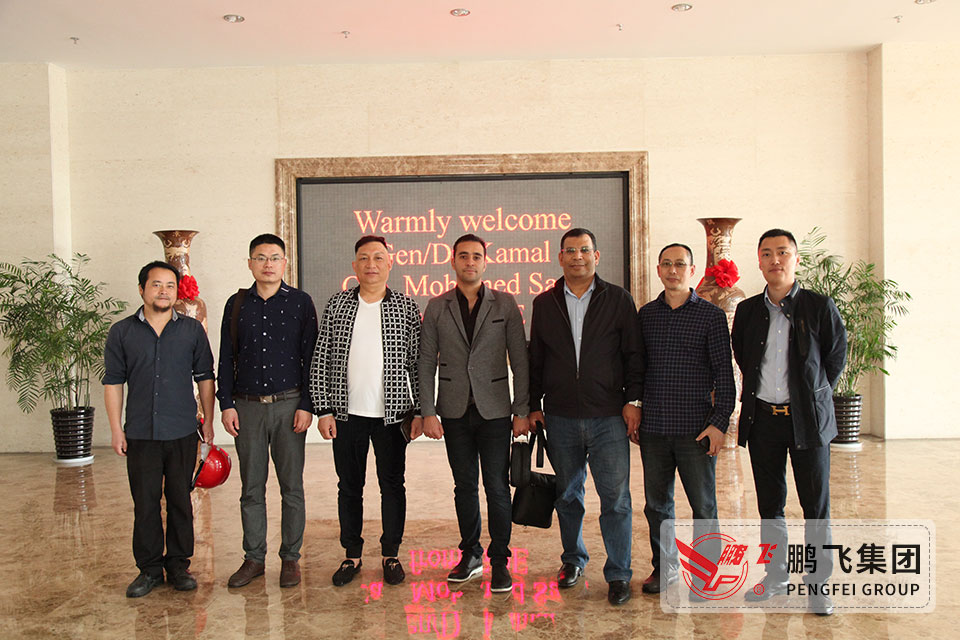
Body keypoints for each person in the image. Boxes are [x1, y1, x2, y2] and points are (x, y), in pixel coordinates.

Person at [731, 228, 846, 616]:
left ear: (796, 259)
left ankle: (818, 585)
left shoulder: (818, 306)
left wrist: (810, 395)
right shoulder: (748, 310)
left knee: (816, 506)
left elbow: (834, 359)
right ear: (759, 261)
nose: (774, 260)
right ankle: (775, 576)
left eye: (782, 252)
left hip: (808, 422)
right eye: (766, 253)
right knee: (770, 505)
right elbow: (744, 356)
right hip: (764, 420)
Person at [528, 227, 642, 606]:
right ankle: (573, 559)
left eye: (585, 250)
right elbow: (536, 359)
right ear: (560, 257)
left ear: (596, 256)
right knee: (568, 495)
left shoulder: (619, 299)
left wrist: (634, 401)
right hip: (560, 417)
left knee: (616, 499)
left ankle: (619, 573)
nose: (578, 256)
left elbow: (633, 356)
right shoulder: (544, 303)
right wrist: (533, 404)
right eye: (571, 250)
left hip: (608, 416)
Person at [309, 235, 423, 587]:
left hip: (393, 416)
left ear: (389, 263)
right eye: (363, 258)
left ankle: (391, 553)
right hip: (346, 416)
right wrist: (323, 410)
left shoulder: (405, 307)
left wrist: (420, 411)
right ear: (354, 266)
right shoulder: (338, 304)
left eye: (378, 257)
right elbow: (321, 359)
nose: (371, 264)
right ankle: (352, 554)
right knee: (349, 486)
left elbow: (417, 363)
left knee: (392, 485)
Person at [419, 233, 530, 593]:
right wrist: (428, 411)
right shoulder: (437, 306)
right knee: (464, 485)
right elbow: (425, 362)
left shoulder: (505, 303)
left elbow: (520, 360)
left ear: (485, 262)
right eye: (463, 256)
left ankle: (500, 561)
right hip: (453, 411)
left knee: (497, 486)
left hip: (495, 410)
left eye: (476, 256)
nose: (470, 262)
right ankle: (470, 555)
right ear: (453, 261)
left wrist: (521, 410)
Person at [103, 261, 215, 598]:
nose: (163, 291)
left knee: (180, 499)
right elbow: (113, 382)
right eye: (156, 285)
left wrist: (209, 422)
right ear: (142, 289)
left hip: (182, 430)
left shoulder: (191, 330)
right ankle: (149, 569)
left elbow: (205, 378)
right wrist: (116, 430)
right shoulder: (122, 332)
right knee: (145, 502)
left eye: (170, 285)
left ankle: (179, 566)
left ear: (176, 292)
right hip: (140, 432)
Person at [217, 233, 318, 589]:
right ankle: (254, 558)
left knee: (292, 487)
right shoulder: (236, 304)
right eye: (260, 257)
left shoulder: (301, 303)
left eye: (275, 257)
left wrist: (307, 405)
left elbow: (311, 358)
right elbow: (226, 357)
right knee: (251, 487)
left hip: (289, 405)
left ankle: (290, 558)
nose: (268, 264)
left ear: (284, 263)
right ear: (250, 263)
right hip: (247, 408)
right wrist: (226, 404)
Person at [634, 243, 736, 595]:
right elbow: (638, 369)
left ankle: (707, 574)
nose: (673, 270)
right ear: (658, 270)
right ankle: (664, 569)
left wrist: (719, 423)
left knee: (703, 505)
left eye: (680, 264)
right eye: (666, 264)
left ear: (692, 271)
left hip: (697, 429)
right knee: (657, 506)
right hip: (655, 429)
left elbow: (725, 375)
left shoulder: (711, 316)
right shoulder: (646, 315)